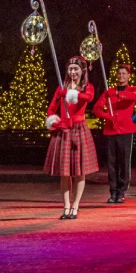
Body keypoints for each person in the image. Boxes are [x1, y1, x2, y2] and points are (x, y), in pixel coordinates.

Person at [44, 56, 97, 219]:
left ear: (82, 71)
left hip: (78, 129)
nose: (72, 72)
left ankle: (75, 206)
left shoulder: (87, 87)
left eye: (76, 69)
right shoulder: (61, 87)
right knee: (65, 172)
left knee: (79, 172)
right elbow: (51, 109)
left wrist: (69, 93)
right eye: (70, 69)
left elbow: (89, 98)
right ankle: (66, 206)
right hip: (64, 130)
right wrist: (54, 121)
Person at [93, 63, 136, 205]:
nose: (121, 76)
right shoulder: (108, 92)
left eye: (124, 73)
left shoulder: (132, 89)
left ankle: (121, 191)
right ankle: (113, 191)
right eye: (119, 73)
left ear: (128, 76)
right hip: (111, 130)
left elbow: (133, 97)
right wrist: (108, 116)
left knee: (124, 162)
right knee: (112, 163)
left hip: (126, 131)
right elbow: (96, 109)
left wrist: (118, 95)